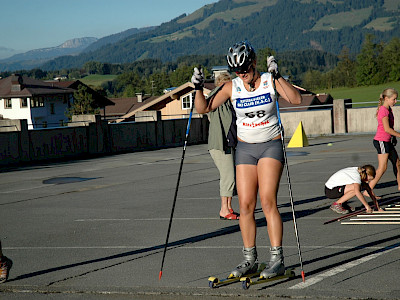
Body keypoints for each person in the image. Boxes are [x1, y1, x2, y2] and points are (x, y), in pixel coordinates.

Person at [192, 41, 301, 279]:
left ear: (254, 63)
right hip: (245, 149)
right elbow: (203, 108)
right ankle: (250, 259)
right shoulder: (233, 87)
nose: (243, 74)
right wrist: (198, 88)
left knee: (268, 201)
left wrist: (277, 75)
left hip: (270, 146)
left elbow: (295, 100)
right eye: (238, 71)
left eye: (246, 69)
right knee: (245, 206)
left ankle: (277, 259)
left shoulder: (269, 81)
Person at [207, 72, 239, 220]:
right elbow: (207, 106)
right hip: (220, 143)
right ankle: (224, 209)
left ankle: (228, 207)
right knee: (228, 176)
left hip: (229, 141)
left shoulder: (228, 101)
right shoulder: (216, 100)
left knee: (231, 176)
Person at [368, 88, 400, 193]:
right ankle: (368, 190)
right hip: (381, 141)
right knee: (382, 168)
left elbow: (390, 127)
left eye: (396, 99)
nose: (395, 101)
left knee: (397, 164)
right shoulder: (383, 110)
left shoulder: (388, 109)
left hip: (388, 141)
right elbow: (387, 129)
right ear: (386, 98)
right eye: (394, 99)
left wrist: (394, 137)